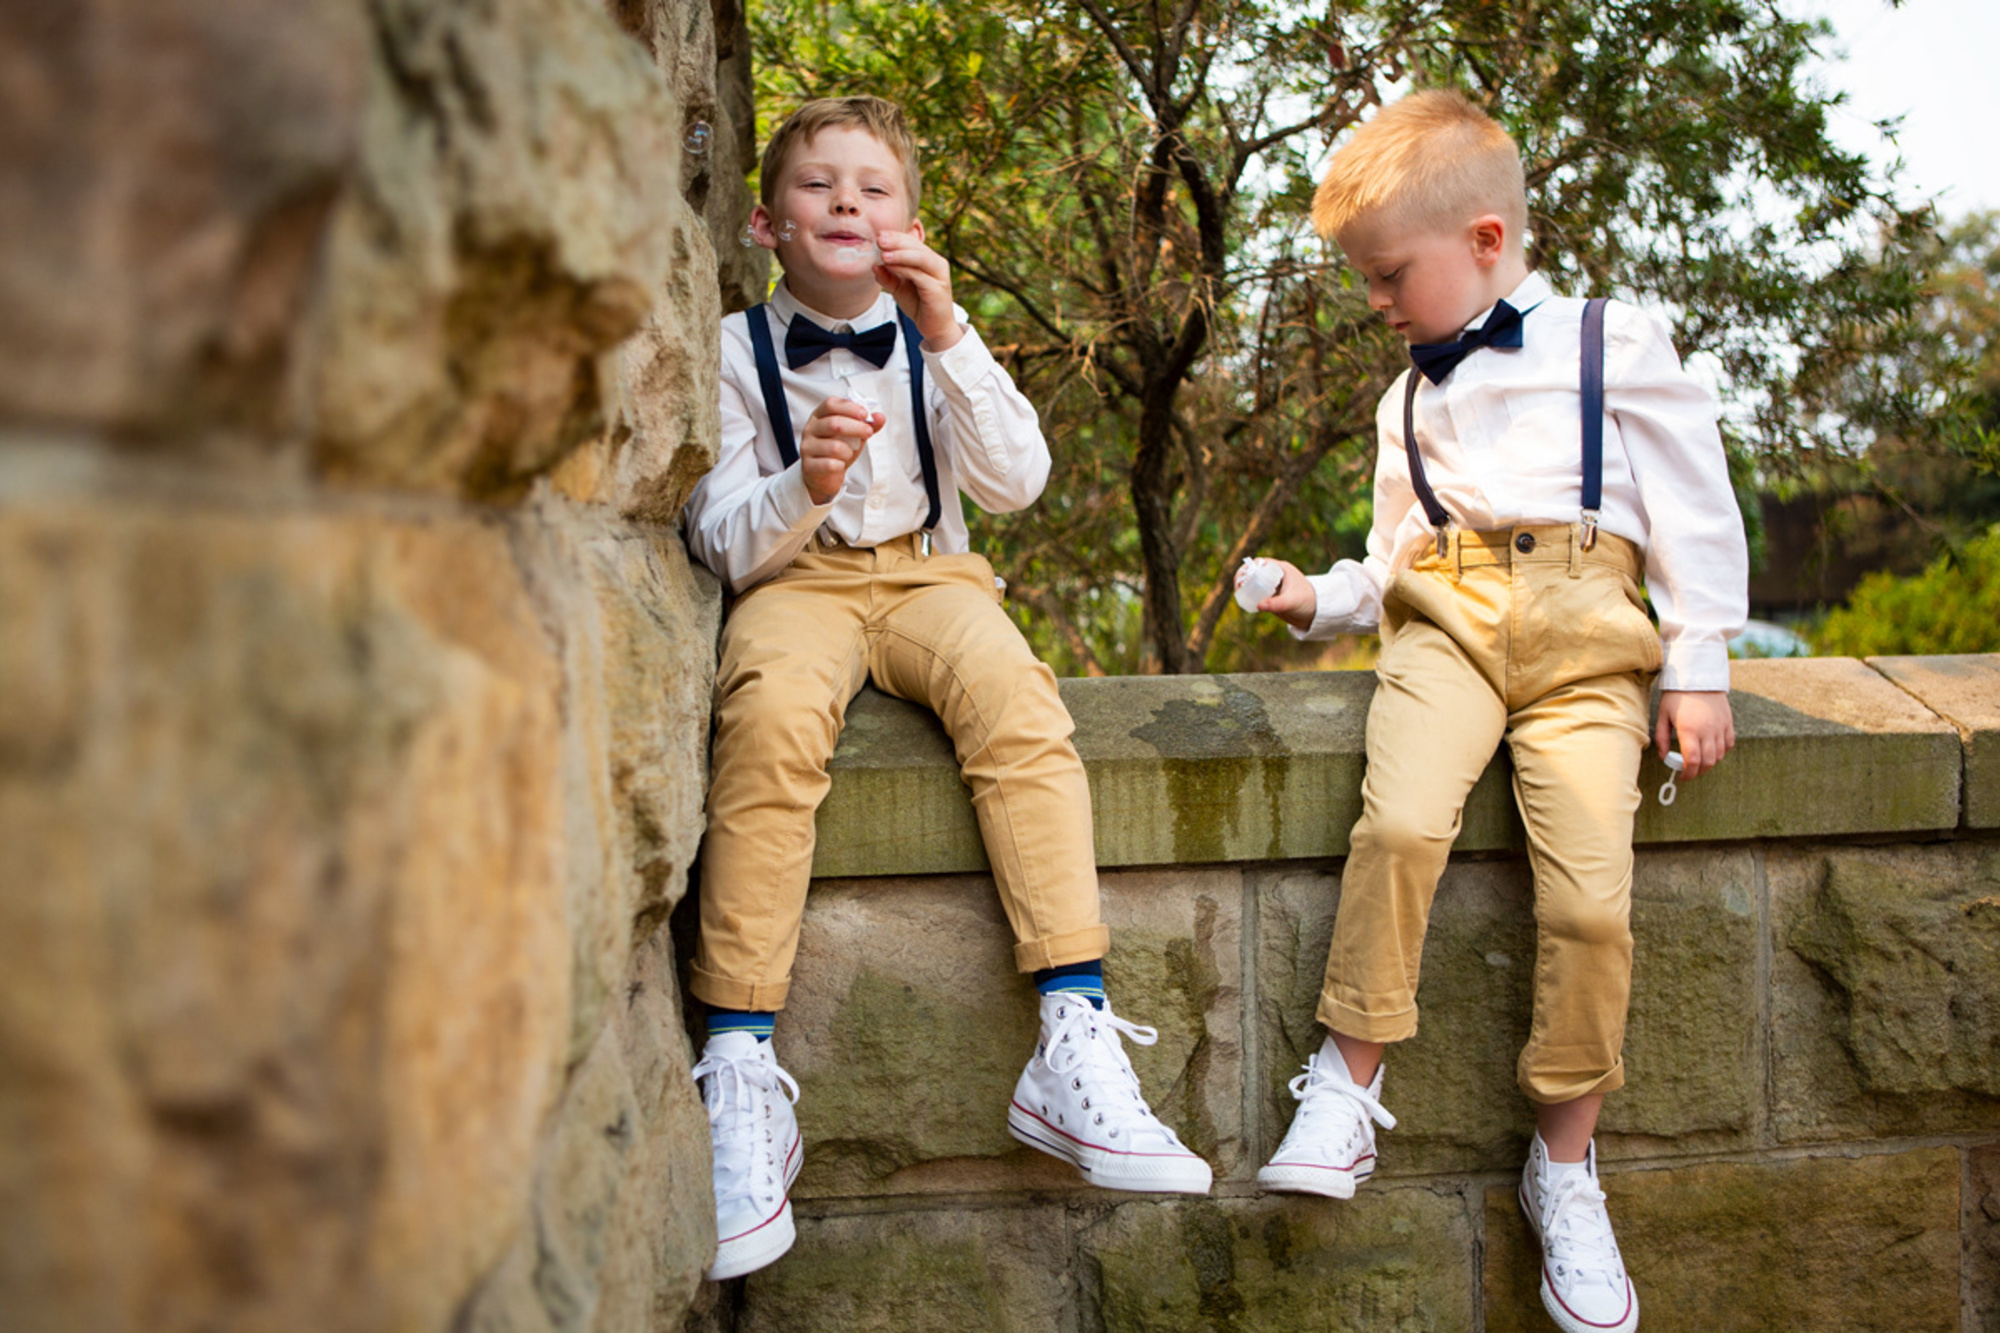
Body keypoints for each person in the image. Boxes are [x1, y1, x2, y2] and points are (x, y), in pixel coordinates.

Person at [680, 96, 1211, 1283]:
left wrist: (951, 334)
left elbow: (1017, 482)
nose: (847, 206)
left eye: (873, 190)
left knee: (1020, 709)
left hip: (932, 578)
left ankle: (1071, 1026)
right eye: (819, 187)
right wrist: (799, 486)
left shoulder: (932, 335)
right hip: (794, 585)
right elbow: (720, 536)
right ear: (767, 221)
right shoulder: (726, 351)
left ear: (908, 225)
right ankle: (739, 1066)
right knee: (764, 729)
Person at [1243, 90, 1746, 1333]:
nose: (1376, 302)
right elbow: (1389, 559)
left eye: (1386, 275)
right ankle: (1344, 1080)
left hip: (1588, 638)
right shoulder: (1402, 402)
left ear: (1480, 239)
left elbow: (1690, 507)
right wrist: (1316, 596)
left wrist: (1696, 660)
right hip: (1446, 625)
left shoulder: (1608, 342)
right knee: (1402, 824)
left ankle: (1564, 1161)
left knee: (1585, 897)